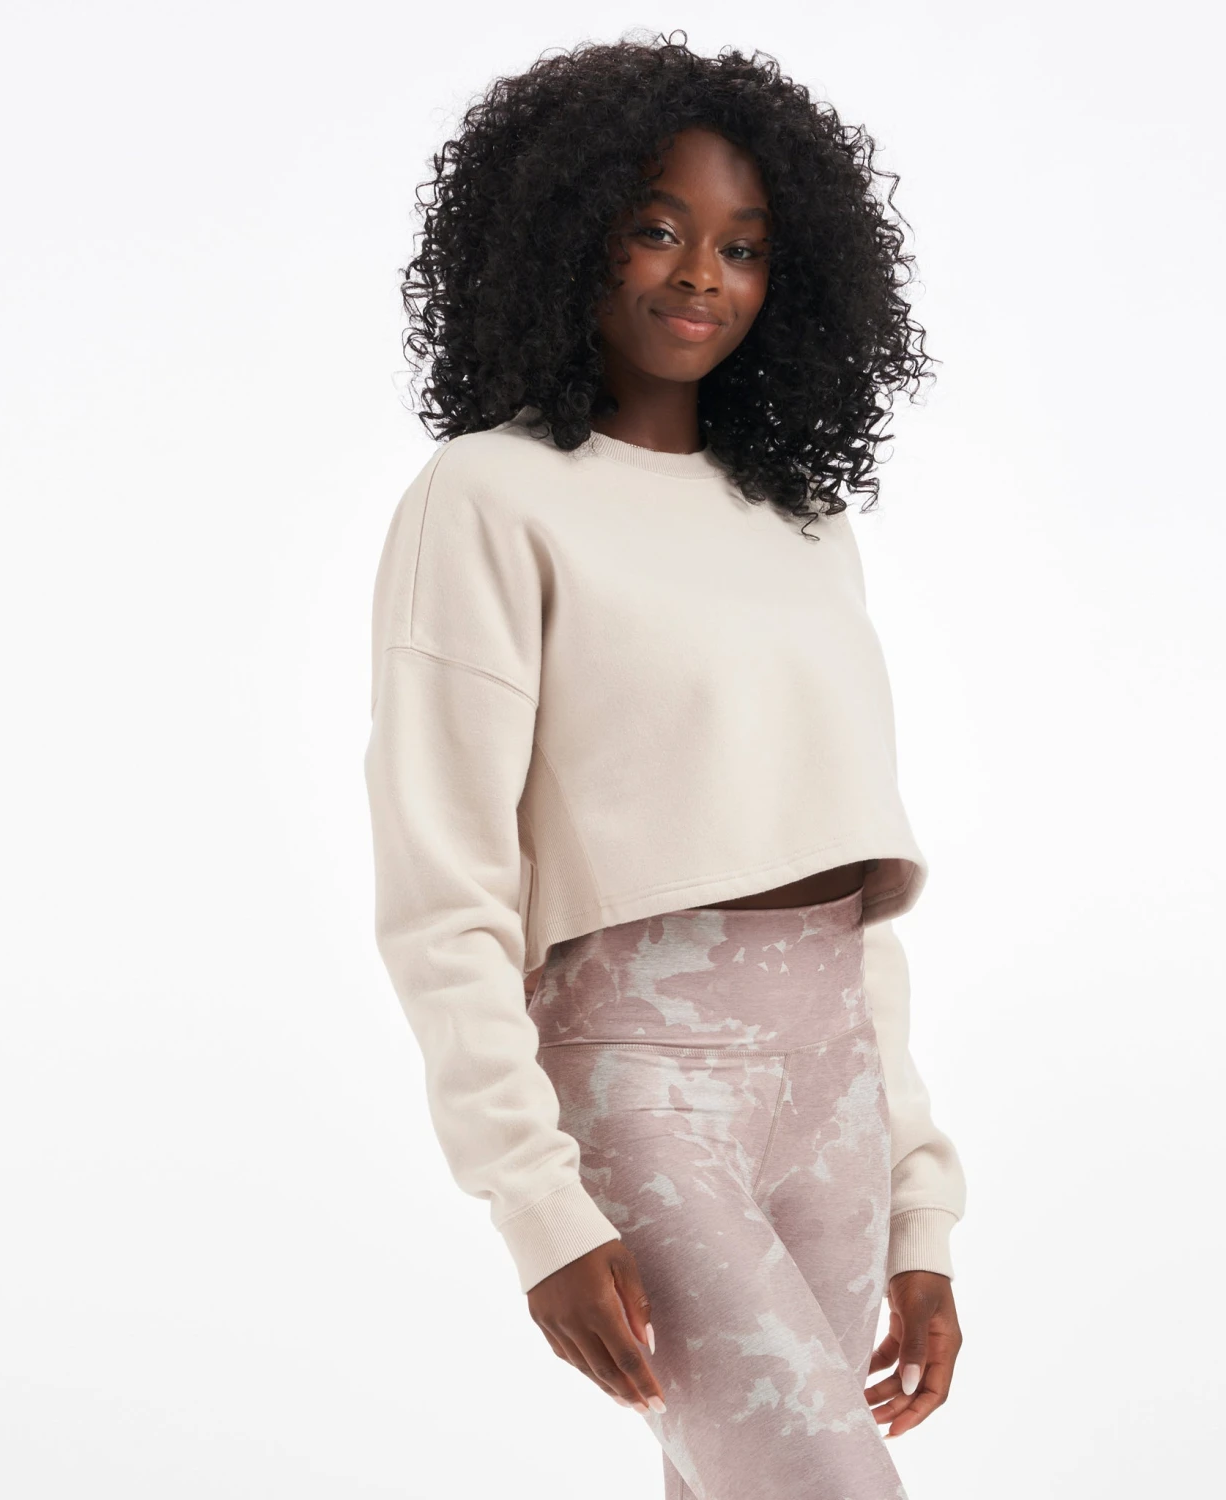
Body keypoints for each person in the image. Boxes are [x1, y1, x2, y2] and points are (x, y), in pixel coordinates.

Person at [365, 33, 966, 1500]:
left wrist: (920, 1208)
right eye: (657, 228)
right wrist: (537, 1206)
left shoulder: (804, 522)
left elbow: (851, 890)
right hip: (641, 1083)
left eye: (744, 247)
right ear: (564, 233)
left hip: (834, 1086)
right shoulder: (489, 497)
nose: (703, 275)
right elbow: (444, 889)